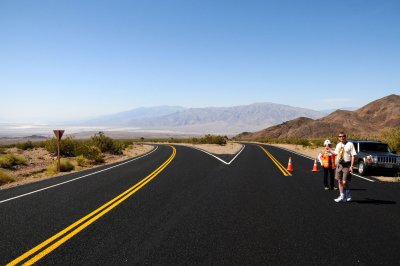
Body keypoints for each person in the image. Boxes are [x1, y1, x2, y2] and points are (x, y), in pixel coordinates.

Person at [331, 132, 357, 202]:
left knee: (344, 182)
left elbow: (353, 156)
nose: (342, 137)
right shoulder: (338, 145)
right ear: (338, 138)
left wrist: (351, 166)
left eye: (343, 136)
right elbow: (336, 153)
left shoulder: (350, 144)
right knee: (339, 181)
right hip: (339, 165)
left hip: (347, 165)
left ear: (345, 137)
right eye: (340, 136)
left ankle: (348, 193)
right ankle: (341, 196)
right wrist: (329, 149)